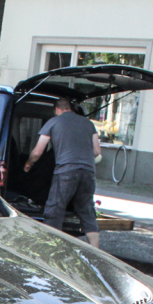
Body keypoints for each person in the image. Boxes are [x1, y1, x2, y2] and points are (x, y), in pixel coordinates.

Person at [23, 98, 102, 247]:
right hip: (88, 172)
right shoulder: (88, 123)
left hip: (66, 171)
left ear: (57, 109)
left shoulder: (54, 122)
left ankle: (51, 248)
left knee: (55, 208)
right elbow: (97, 151)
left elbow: (38, 152)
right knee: (87, 210)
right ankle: (96, 252)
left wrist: (28, 164)